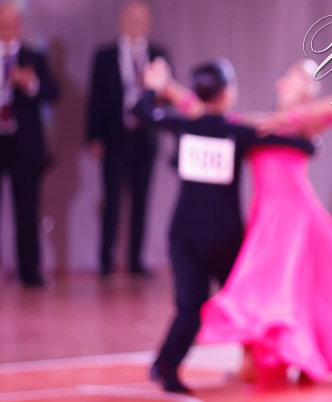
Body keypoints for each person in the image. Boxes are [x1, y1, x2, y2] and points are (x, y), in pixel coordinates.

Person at [154, 59, 332, 384]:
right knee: (272, 291)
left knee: (298, 290)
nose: (293, 79)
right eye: (292, 74)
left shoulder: (303, 124)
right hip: (265, 217)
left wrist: (283, 120)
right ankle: (263, 359)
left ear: (309, 91)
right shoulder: (254, 125)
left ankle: (303, 356)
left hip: (296, 215)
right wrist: (168, 88)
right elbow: (202, 113)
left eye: (304, 77)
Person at [133, 58, 315, 394]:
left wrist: (153, 88)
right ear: (228, 93)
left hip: (185, 236)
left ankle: (169, 366)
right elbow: (302, 145)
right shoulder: (236, 132)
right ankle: (252, 362)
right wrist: (303, 135)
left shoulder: (185, 126)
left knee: (190, 308)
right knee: (245, 300)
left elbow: (141, 112)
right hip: (224, 238)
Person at [86, 1, 168, 277]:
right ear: (121, 21)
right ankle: (106, 259)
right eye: (131, 19)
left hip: (145, 137)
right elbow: (95, 99)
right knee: (111, 199)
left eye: (141, 20)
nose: (136, 24)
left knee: (141, 199)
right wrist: (94, 136)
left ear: (148, 23)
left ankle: (135, 259)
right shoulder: (105, 56)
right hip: (115, 137)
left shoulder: (157, 55)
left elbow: (168, 96)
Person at [0, 0, 60, 288]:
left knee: (27, 209)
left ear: (19, 26)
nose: (7, 28)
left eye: (11, 23)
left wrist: (30, 83)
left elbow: (53, 92)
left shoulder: (33, 57)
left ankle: (29, 272)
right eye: (2, 23)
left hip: (24, 144)